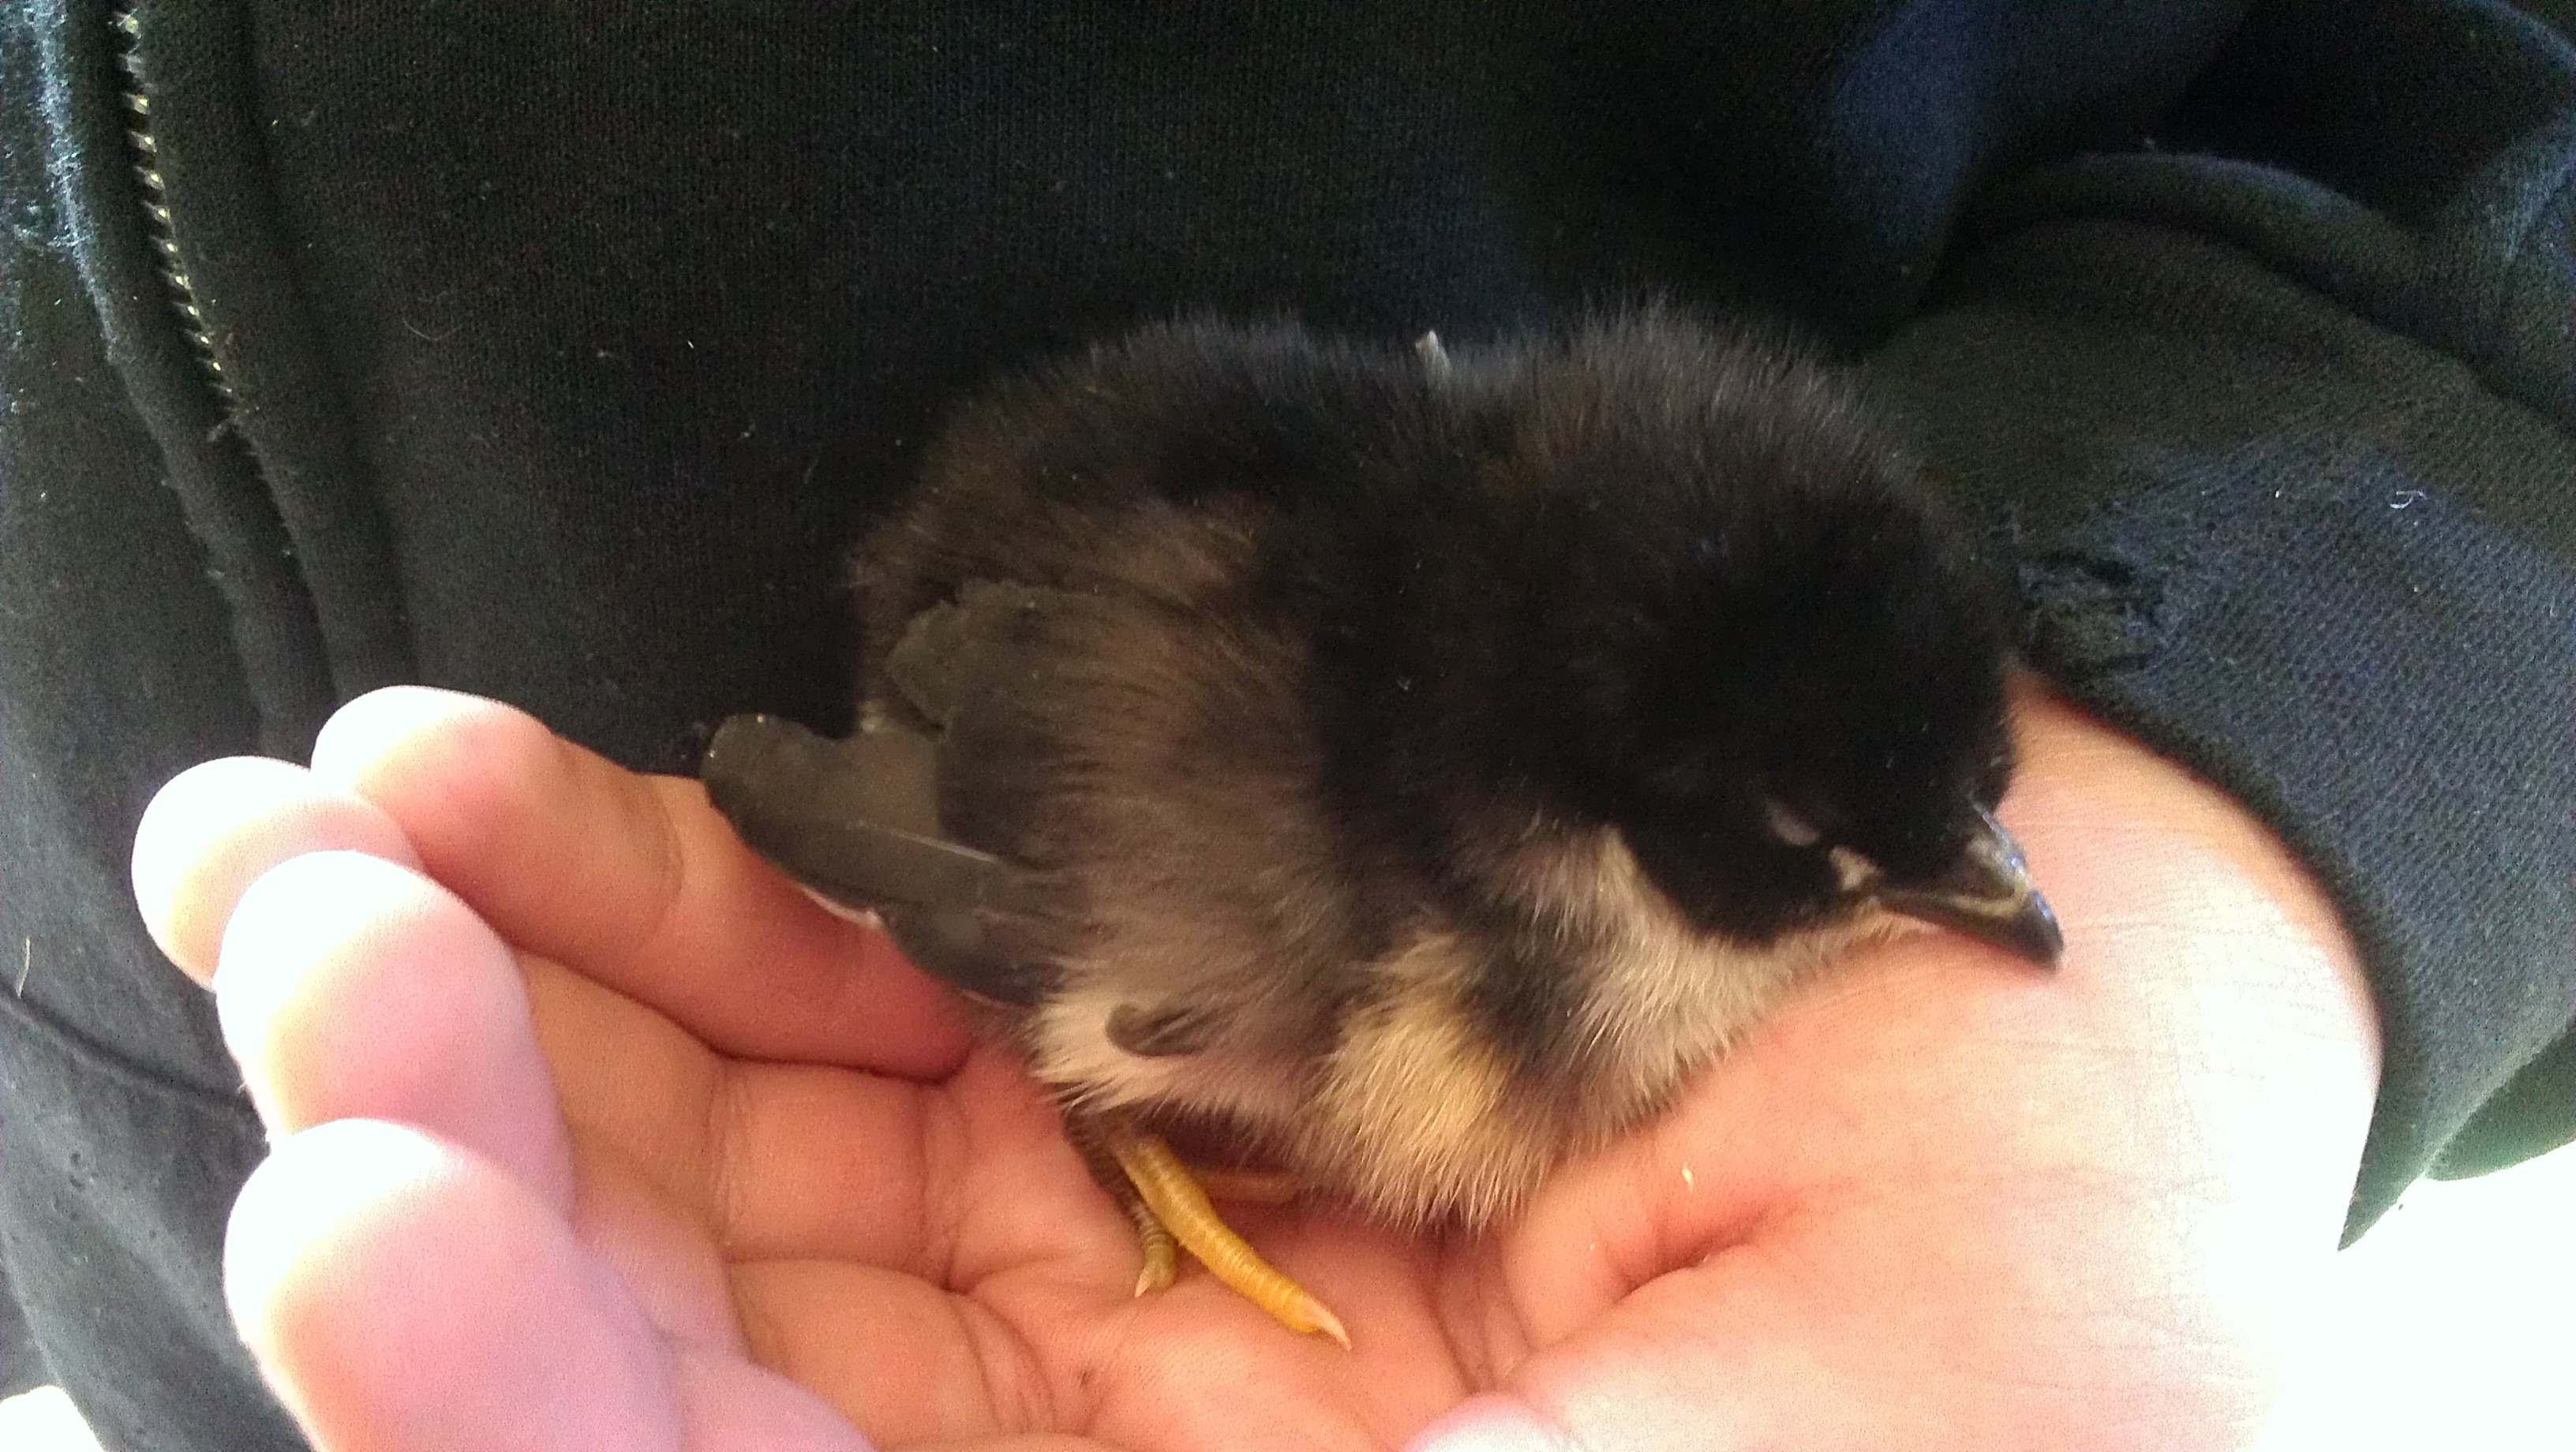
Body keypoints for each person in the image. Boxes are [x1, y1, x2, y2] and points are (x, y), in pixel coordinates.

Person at [4, 3, 2570, 1449]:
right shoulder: (1247, 836)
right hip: (158, 1068)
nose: (1986, 901)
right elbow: (966, 801)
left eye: (1940, 841)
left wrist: (2241, 750)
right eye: (1861, 851)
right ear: (1621, 811)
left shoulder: (1607, 660)